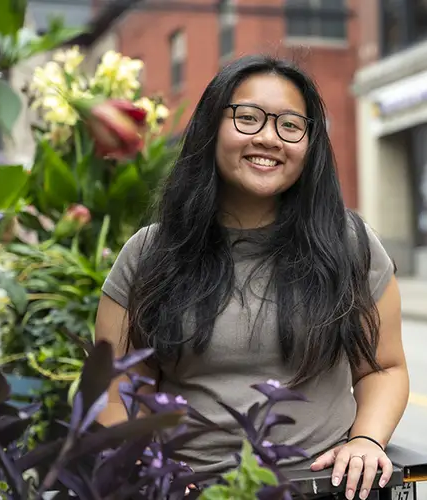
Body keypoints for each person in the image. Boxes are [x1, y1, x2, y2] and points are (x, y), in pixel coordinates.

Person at [94, 54, 409, 500]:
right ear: (211, 127)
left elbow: (385, 368)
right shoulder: (150, 253)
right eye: (248, 118)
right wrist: (142, 459)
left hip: (316, 487)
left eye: (290, 126)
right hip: (188, 490)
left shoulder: (348, 244)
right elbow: (116, 384)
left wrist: (366, 440)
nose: (269, 138)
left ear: (309, 145)